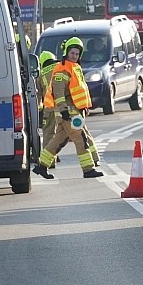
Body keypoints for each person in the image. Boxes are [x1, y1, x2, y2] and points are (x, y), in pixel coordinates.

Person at [33, 37, 103, 179]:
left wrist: (83, 107)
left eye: (77, 54)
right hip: (68, 112)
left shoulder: (74, 67)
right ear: (66, 53)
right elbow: (58, 92)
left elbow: (79, 90)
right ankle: (88, 169)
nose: (75, 56)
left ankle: (42, 166)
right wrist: (64, 110)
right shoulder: (62, 69)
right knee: (81, 138)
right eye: (72, 53)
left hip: (73, 111)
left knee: (58, 140)